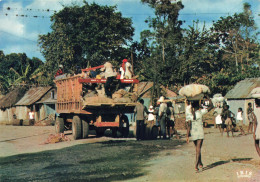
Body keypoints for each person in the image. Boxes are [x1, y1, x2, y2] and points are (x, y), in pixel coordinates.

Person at [186, 95, 213, 172]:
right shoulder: (200, 112)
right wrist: (207, 97)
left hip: (193, 133)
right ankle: (196, 165)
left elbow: (188, 126)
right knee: (198, 149)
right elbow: (211, 106)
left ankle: (200, 162)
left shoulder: (189, 115)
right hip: (200, 132)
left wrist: (187, 136)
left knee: (197, 149)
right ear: (198, 106)